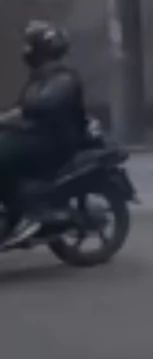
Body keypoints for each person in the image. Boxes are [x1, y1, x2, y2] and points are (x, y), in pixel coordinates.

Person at [0, 21, 88, 246]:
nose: (26, 50)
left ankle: (29, 212)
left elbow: (42, 105)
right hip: (37, 136)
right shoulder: (41, 77)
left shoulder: (63, 77)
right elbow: (23, 108)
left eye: (31, 45)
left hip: (54, 140)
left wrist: (17, 114)